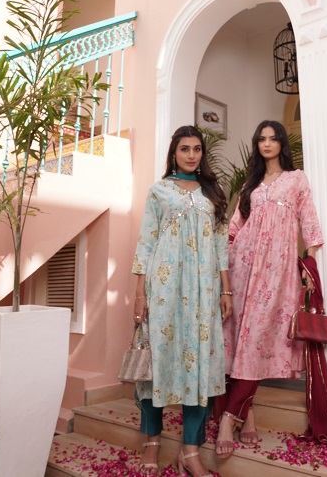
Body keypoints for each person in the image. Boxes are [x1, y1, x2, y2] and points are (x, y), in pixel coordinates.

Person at [215, 120, 327, 457]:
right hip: (243, 269)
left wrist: (310, 262)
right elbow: (234, 228)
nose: (267, 144)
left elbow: (310, 222)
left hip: (277, 271)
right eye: (262, 139)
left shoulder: (296, 179)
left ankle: (229, 417)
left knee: (255, 339)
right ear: (257, 144)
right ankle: (247, 415)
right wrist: (223, 270)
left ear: (281, 144)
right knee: (240, 341)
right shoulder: (251, 184)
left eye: (273, 139)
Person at [132, 125, 233, 477]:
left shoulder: (213, 193)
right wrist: (140, 293)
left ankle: (190, 450)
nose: (191, 155)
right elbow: (146, 241)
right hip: (164, 288)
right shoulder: (159, 190)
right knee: (157, 363)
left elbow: (221, 246)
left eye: (197, 149)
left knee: (201, 366)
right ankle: (152, 442)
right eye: (184, 149)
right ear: (174, 153)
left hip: (204, 291)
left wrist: (226, 290)